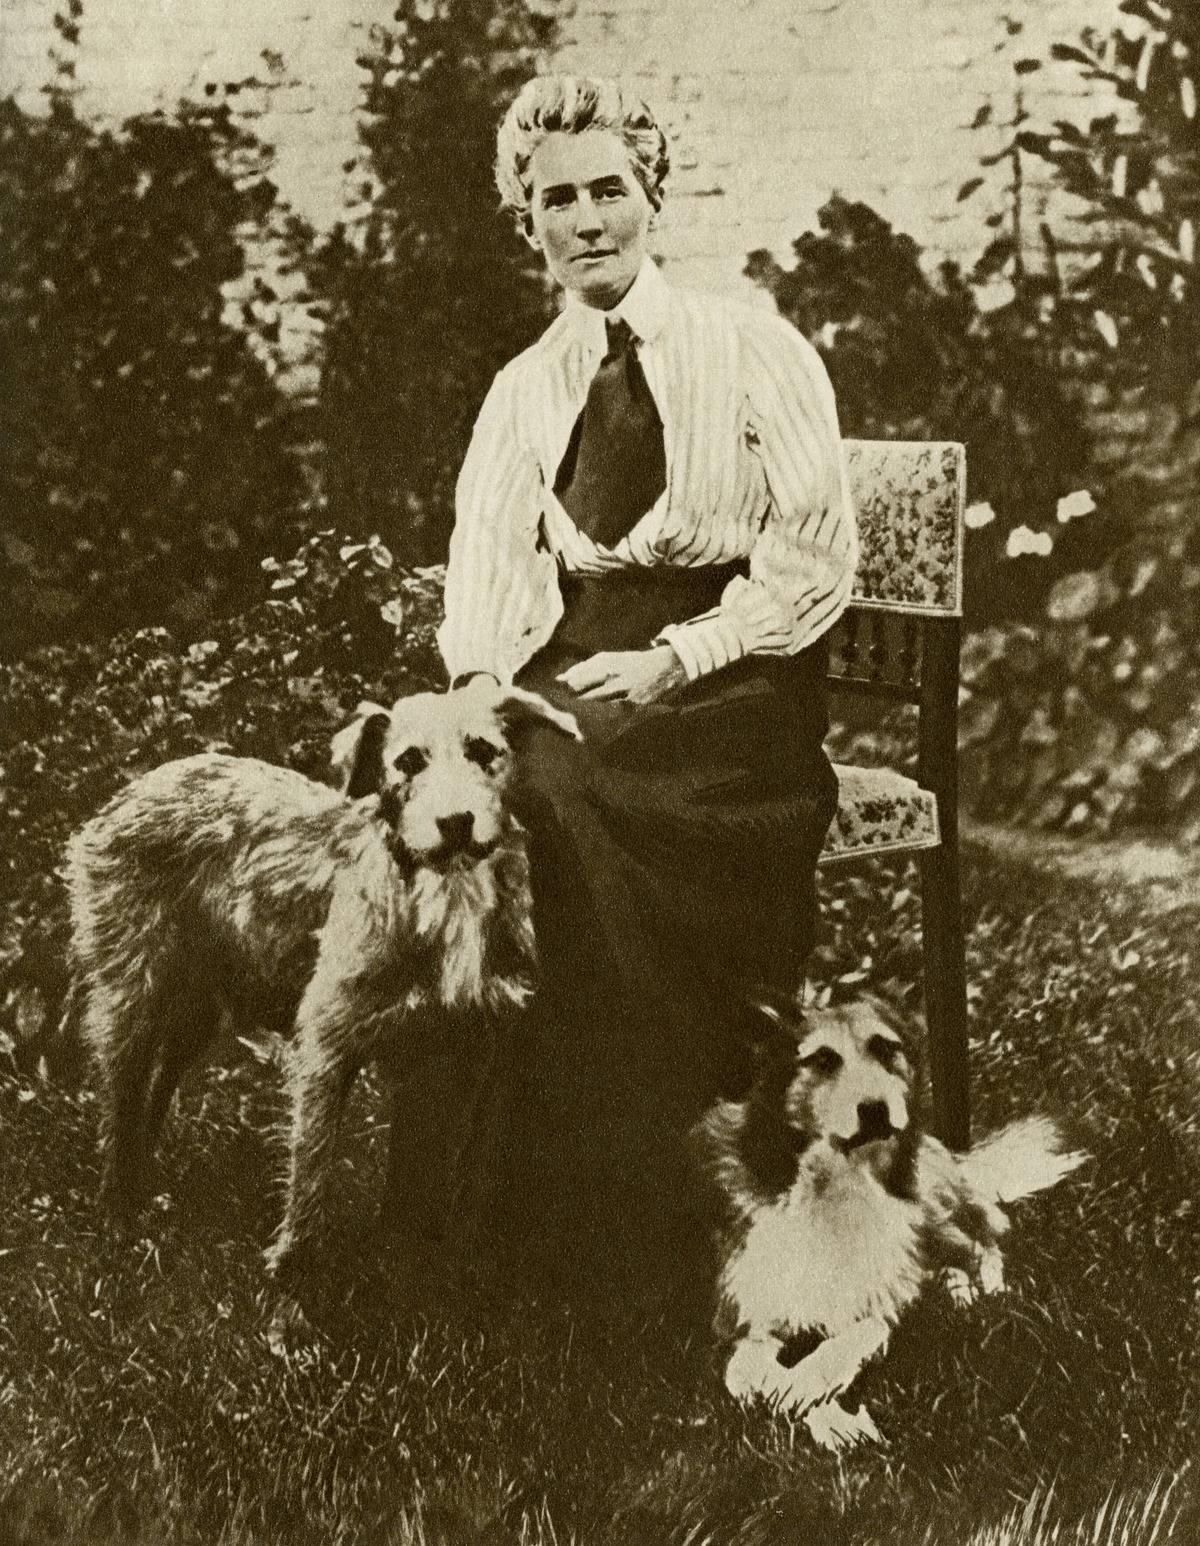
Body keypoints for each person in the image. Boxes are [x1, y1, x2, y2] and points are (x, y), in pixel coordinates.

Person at [438, 74, 858, 1286]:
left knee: (573, 786)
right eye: (556, 200)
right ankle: (549, 1209)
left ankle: (676, 1178)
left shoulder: (753, 346)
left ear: (653, 197)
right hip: (580, 659)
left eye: (608, 190)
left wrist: (681, 655)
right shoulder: (525, 388)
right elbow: (487, 560)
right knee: (518, 781)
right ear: (528, 223)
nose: (587, 220)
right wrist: (482, 685)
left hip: (738, 672)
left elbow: (815, 555)